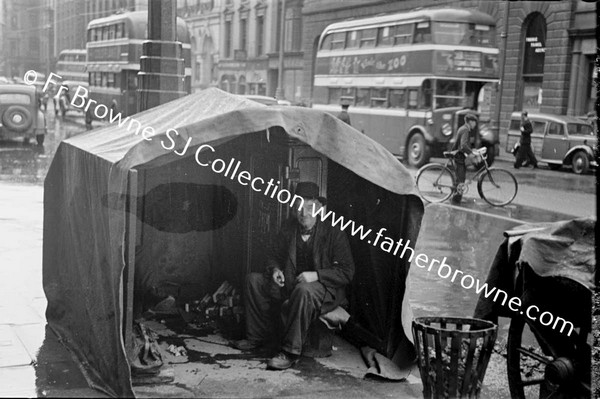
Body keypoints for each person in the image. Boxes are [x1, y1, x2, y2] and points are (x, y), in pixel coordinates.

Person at [232, 181, 355, 370]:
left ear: (320, 208)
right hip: (292, 283)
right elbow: (273, 256)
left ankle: (290, 352)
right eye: (298, 206)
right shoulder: (288, 229)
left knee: (304, 290)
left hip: (322, 289)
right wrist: (275, 270)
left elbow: (347, 272)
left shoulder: (334, 233)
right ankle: (256, 338)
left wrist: (316, 275)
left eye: (309, 207)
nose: (303, 212)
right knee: (253, 281)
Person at [451, 113, 482, 204]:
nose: (475, 125)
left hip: (458, 155)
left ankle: (456, 198)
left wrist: (472, 150)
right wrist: (471, 153)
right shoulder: (465, 130)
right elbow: (463, 145)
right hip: (459, 156)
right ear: (471, 122)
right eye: (474, 122)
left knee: (459, 178)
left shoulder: (463, 128)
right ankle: (456, 201)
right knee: (461, 180)